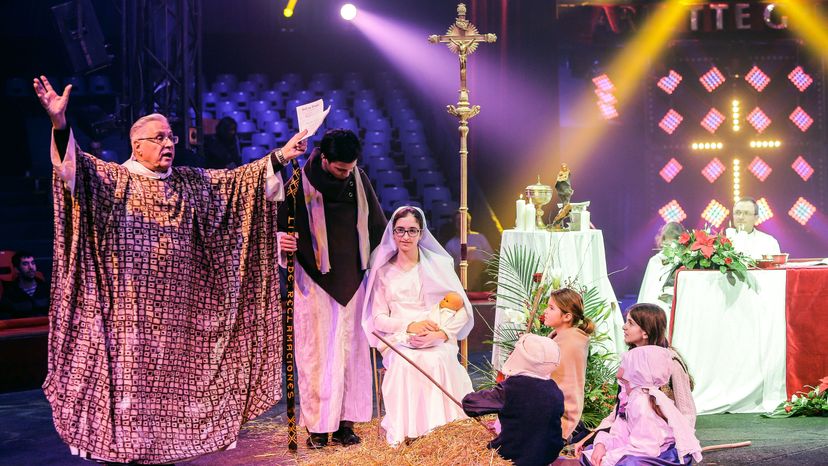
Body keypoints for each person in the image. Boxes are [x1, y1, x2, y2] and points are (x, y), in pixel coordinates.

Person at [33, 75, 308, 464]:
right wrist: (60, 125)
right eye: (159, 138)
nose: (168, 144)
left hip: (180, 321)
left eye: (171, 138)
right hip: (128, 317)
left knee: (174, 404)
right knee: (132, 401)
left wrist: (280, 156)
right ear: (136, 145)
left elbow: (238, 185)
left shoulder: (189, 183)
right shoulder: (114, 180)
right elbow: (70, 171)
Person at [277, 128, 387, 448]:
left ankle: (344, 424)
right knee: (317, 356)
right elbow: (278, 228)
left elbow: (377, 228)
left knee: (351, 355)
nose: (346, 174)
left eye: (350, 168)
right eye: (340, 168)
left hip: (354, 281)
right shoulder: (298, 183)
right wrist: (281, 243)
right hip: (314, 282)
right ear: (324, 159)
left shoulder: (358, 179)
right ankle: (317, 428)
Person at [362, 206, 475, 446]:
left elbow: (461, 308)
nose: (405, 236)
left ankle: (442, 430)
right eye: (400, 230)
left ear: (421, 233)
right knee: (406, 364)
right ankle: (409, 431)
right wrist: (411, 325)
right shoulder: (383, 272)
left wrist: (441, 334)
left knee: (439, 359)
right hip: (398, 336)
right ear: (392, 233)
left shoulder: (438, 265)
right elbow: (378, 319)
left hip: (435, 334)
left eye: (412, 231)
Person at [576, 303, 697, 458]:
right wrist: (591, 438)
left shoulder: (670, 361)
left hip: (662, 441)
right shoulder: (632, 360)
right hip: (631, 432)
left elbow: (687, 411)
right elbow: (620, 409)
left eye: (630, 323)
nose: (624, 327)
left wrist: (682, 445)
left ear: (645, 331)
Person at [579, 346, 703, 466]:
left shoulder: (642, 403)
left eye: (624, 364)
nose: (618, 373)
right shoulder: (631, 396)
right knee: (590, 452)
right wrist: (602, 445)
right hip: (640, 448)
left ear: (639, 370)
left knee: (628, 463)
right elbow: (620, 433)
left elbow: (646, 449)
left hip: (661, 455)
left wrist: (610, 457)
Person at [463, 333, 565, 466]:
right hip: (548, 455)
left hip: (515, 456)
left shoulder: (511, 388)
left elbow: (470, 405)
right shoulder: (555, 390)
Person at [543, 287, 594, 442]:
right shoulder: (560, 337)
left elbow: (563, 384)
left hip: (561, 414)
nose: (545, 311)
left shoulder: (570, 342)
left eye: (551, 308)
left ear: (567, 316)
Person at [638, 222, 686, 313]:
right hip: (663, 307)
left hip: (670, 306)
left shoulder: (685, 260)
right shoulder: (656, 261)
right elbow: (649, 289)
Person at [443, 211, 493, 290]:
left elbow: (491, 258)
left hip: (481, 273)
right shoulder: (450, 244)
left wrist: (476, 256)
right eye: (459, 221)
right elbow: (448, 268)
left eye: (465, 220)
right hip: (460, 275)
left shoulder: (480, 238)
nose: (462, 222)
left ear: (469, 222)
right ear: (455, 223)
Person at [0, 251, 49, 319]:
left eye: (33, 263)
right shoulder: (10, 293)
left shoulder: (46, 288)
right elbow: (5, 318)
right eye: (25, 264)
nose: (31, 267)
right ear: (17, 269)